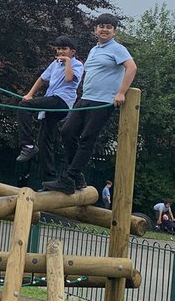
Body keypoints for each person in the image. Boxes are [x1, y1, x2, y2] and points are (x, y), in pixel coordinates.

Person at [44, 14, 137, 195]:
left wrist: (121, 92)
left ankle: (69, 178)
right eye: (101, 26)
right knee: (67, 132)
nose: (104, 29)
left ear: (114, 31)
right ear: (95, 29)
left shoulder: (118, 49)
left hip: (102, 101)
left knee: (87, 138)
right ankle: (77, 177)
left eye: (109, 27)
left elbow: (132, 67)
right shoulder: (94, 49)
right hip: (86, 98)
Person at [15, 39, 84, 182]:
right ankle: (49, 180)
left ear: (72, 51)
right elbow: (41, 79)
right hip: (52, 103)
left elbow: (69, 78)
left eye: (64, 49)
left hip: (61, 102)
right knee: (44, 140)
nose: (60, 52)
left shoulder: (77, 65)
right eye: (58, 49)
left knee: (24, 106)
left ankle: (27, 144)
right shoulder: (54, 64)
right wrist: (30, 94)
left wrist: (68, 62)